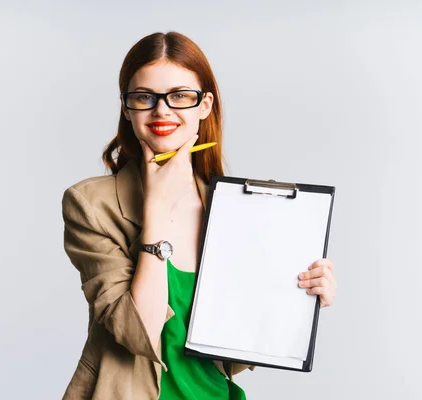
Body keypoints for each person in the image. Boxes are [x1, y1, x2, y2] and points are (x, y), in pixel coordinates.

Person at [60, 31, 338, 400]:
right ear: (127, 108)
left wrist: (302, 295)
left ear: (204, 105)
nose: (162, 110)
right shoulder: (90, 204)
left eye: (179, 96)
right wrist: (156, 210)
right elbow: (137, 330)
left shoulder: (234, 207)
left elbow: (234, 341)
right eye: (144, 97)